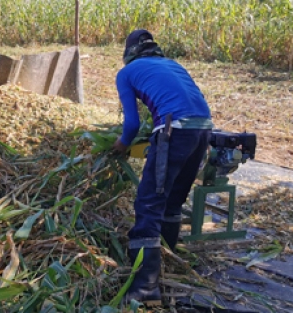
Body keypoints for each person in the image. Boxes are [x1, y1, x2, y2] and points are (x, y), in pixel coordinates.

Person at [113, 29, 213, 306]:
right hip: (203, 129)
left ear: (129, 53)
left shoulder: (126, 73)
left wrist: (121, 145)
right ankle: (168, 257)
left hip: (174, 130)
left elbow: (131, 123)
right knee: (172, 201)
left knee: (148, 203)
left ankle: (145, 287)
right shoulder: (173, 65)